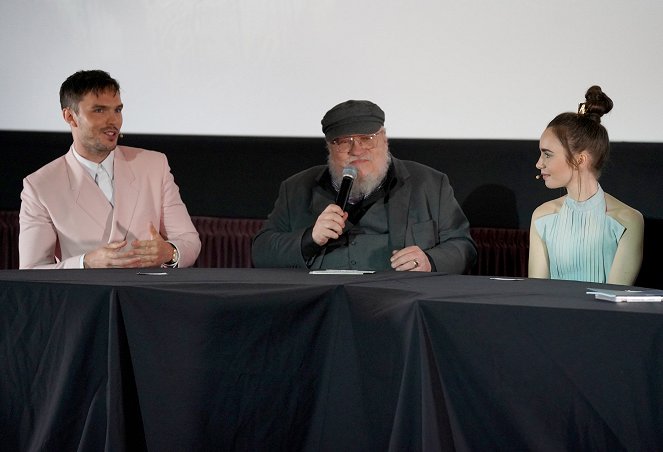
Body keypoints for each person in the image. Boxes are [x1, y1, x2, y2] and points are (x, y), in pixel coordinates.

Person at [252, 99, 476, 272]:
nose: (357, 150)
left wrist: (430, 261)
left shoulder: (429, 184)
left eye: (367, 139)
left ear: (384, 138)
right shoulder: (297, 188)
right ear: (329, 147)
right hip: (322, 307)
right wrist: (309, 239)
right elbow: (260, 251)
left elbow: (463, 246)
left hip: (400, 306)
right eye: (344, 142)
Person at [19, 69, 201, 269]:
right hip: (86, 298)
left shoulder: (154, 165)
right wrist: (85, 263)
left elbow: (188, 240)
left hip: (149, 296)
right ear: (70, 117)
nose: (113, 121)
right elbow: (32, 271)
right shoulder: (40, 186)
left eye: (117, 110)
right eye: (99, 110)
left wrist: (169, 252)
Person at [529, 85, 643, 285]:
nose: (539, 163)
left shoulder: (627, 221)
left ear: (580, 159)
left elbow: (615, 299)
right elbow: (538, 295)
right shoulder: (542, 217)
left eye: (547, 154)